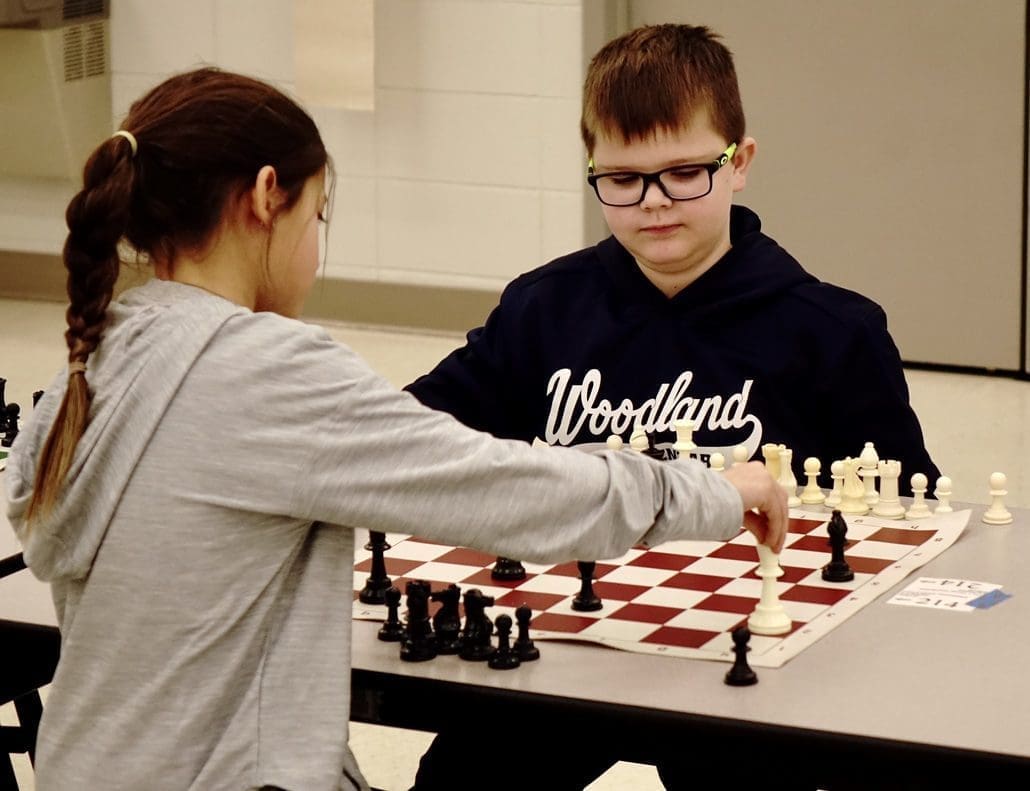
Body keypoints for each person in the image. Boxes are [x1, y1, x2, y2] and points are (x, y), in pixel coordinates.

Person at [3, 67, 787, 791]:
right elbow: (515, 494)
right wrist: (708, 489)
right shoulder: (267, 369)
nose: (316, 248)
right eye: (318, 213)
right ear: (266, 196)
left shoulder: (100, 349)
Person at [405, 22, 939, 791]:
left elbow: (902, 517)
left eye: (685, 172)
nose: (653, 204)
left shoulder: (832, 330)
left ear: (740, 161)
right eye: (621, 179)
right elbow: (414, 433)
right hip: (566, 635)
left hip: (748, 642)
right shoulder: (542, 310)